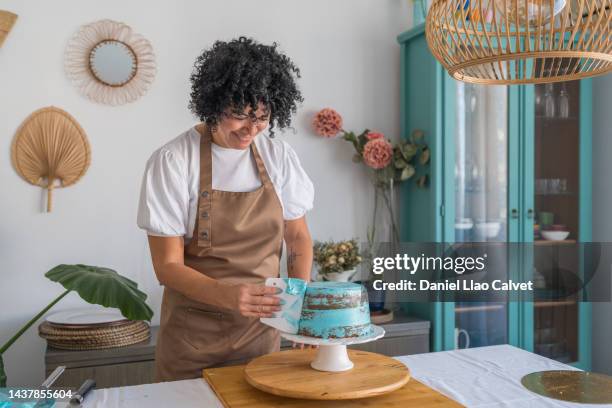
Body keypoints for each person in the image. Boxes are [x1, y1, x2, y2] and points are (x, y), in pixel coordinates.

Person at [137, 37, 314, 381]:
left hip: (262, 337)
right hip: (192, 342)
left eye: (262, 118)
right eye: (239, 116)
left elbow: (297, 238)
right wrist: (229, 295)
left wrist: (299, 303)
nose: (251, 130)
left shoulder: (278, 157)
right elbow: (167, 266)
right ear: (213, 104)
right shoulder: (173, 160)